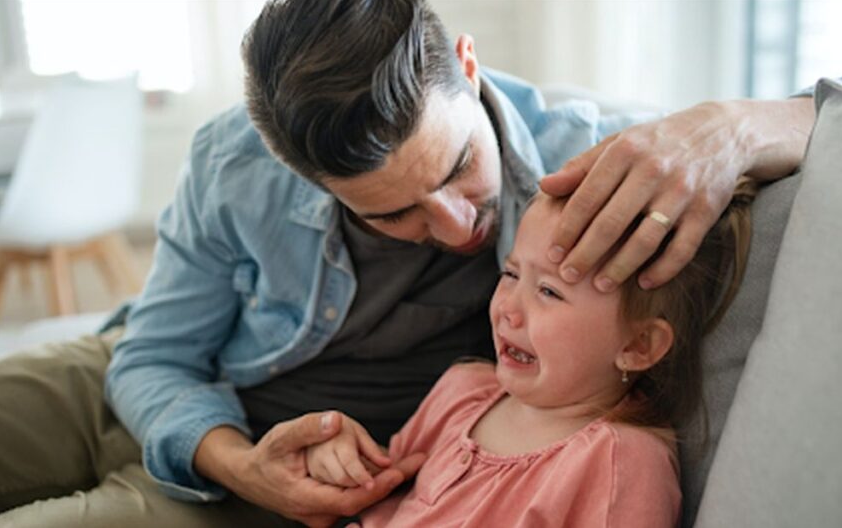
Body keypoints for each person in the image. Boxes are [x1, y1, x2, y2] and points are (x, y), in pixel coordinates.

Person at [0, 0, 842, 526]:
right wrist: (237, 461)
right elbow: (154, 357)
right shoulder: (233, 158)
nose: (459, 224)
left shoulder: (590, 157)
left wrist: (741, 121)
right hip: (156, 395)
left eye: (461, 169)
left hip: (286, 482)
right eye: (391, 214)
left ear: (466, 66)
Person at [304, 183, 756, 527]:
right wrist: (339, 464)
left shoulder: (619, 462)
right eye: (510, 273)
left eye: (548, 291)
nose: (508, 309)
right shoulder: (462, 390)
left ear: (638, 346)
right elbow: (385, 487)